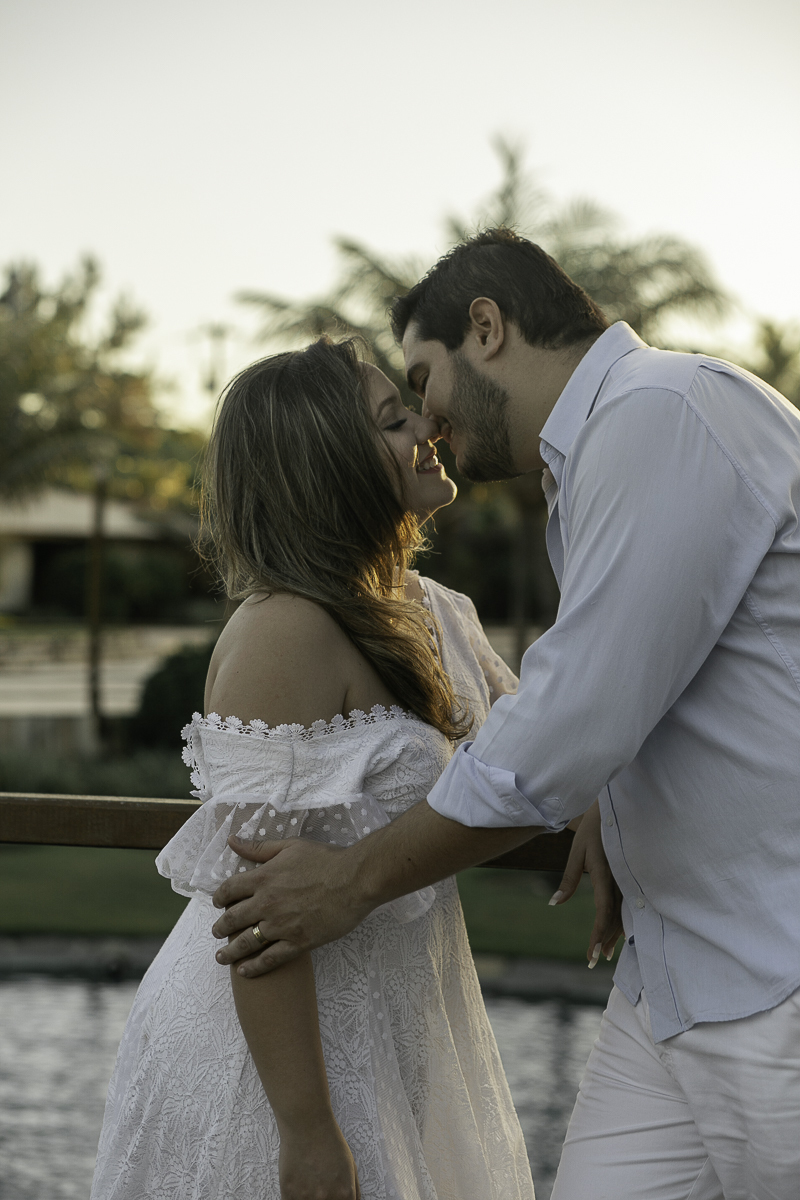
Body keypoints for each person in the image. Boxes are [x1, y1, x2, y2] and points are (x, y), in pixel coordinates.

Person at [213, 229, 800, 1199]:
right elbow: (620, 699)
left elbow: (568, 725)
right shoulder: (600, 457)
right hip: (672, 982)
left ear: (485, 328)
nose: (427, 423)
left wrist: (353, 881)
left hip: (773, 972)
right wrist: (605, 797)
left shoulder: (662, 413)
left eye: (419, 381)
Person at [90, 334, 575, 1200]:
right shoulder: (285, 633)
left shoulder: (438, 611)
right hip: (276, 1072)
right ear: (330, 467)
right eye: (394, 420)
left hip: (398, 1034)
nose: (429, 422)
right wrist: (309, 1133)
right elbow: (253, 916)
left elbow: (543, 751)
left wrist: (602, 808)